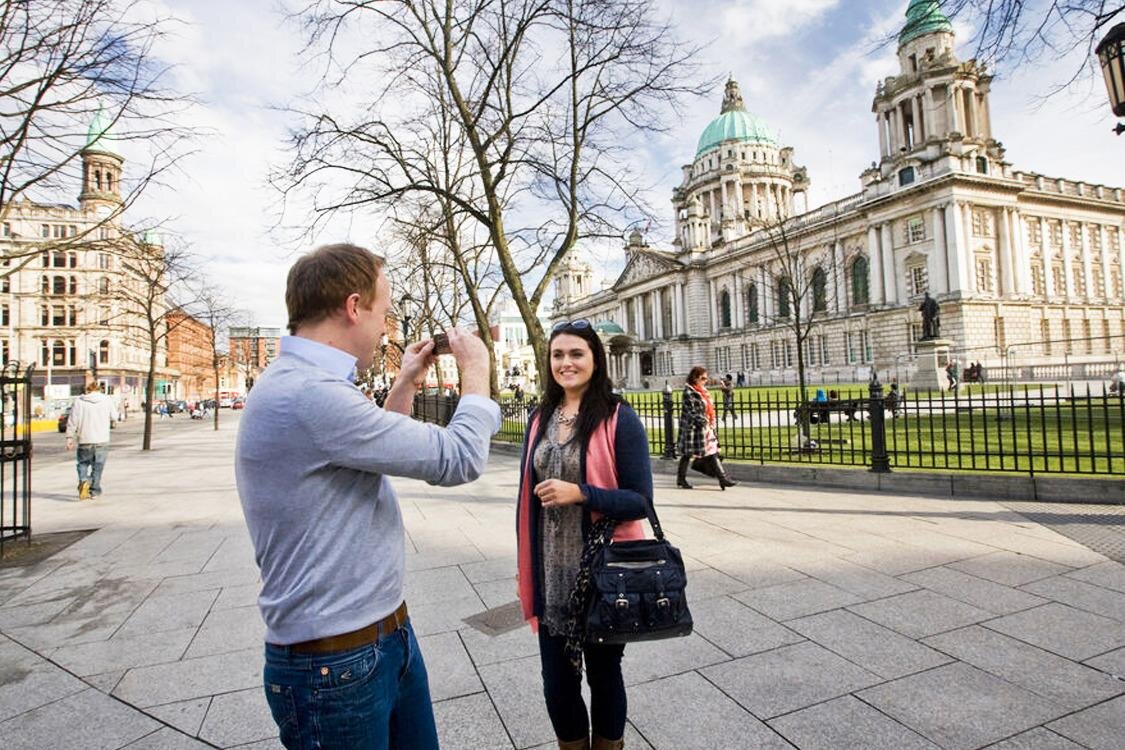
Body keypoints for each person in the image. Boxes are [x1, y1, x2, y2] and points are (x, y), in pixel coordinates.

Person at [235, 243, 499, 750]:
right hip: (335, 666)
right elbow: (460, 457)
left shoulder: (305, 383)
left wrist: (405, 382)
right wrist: (477, 369)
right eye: (384, 312)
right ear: (354, 307)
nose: (386, 329)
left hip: (376, 639)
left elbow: (371, 449)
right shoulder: (311, 394)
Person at [515, 319, 651, 750]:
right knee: (556, 684)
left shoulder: (618, 417)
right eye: (558, 355)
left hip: (602, 575)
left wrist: (581, 493)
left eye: (576, 354)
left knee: (605, 675)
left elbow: (640, 501)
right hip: (550, 574)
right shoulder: (539, 418)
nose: (566, 363)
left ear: (595, 359)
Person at [676, 366, 736, 490]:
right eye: (703, 378)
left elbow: (709, 407)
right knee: (688, 454)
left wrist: (711, 421)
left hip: (706, 427)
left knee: (712, 451)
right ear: (695, 378)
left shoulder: (704, 390)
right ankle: (681, 479)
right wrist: (704, 421)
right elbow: (691, 412)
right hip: (693, 429)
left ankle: (722, 478)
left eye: (706, 378)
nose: (705, 380)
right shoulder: (688, 392)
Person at [66, 381, 116, 500]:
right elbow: (115, 416)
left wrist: (69, 438)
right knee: (98, 466)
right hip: (101, 439)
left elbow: (72, 421)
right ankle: (94, 491)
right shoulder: (107, 400)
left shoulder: (79, 401)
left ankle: (83, 480)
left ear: (87, 390)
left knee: (82, 463)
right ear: (99, 389)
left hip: (85, 439)